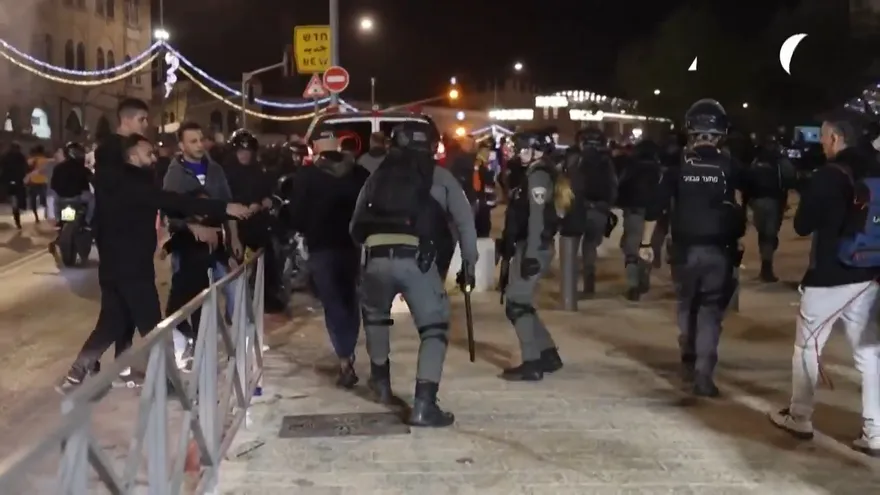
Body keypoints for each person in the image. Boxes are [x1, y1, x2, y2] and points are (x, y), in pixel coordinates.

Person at [57, 133, 252, 392]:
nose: (153, 158)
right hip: (134, 268)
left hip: (113, 267)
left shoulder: (108, 182)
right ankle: (167, 383)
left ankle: (76, 374)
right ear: (132, 156)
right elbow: (173, 201)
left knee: (111, 323)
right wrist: (224, 208)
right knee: (153, 328)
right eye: (148, 153)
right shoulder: (133, 184)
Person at [350, 122, 478, 427]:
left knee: (376, 318)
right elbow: (465, 225)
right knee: (434, 329)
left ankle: (381, 384)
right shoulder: (440, 177)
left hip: (375, 259)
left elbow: (355, 226)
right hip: (417, 260)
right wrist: (468, 266)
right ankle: (424, 405)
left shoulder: (377, 178)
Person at [769, 111, 880, 456]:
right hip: (869, 275)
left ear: (835, 139)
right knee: (870, 355)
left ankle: (800, 417)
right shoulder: (876, 167)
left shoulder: (829, 175)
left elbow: (802, 226)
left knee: (808, 347)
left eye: (822, 138)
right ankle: (876, 432)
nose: (821, 144)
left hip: (828, 276)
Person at [643, 99, 745, 397]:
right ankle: (703, 374)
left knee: (687, 304)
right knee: (710, 310)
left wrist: (647, 243)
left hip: (685, 250)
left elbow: (656, 207)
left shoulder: (676, 165)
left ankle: (688, 358)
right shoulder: (730, 166)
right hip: (719, 250)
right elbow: (741, 201)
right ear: (721, 132)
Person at [287, 130, 369, 388]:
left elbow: (297, 215)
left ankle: (345, 358)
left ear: (317, 149)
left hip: (322, 247)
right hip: (352, 246)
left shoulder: (307, 176)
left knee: (332, 303)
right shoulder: (358, 174)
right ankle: (348, 350)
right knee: (349, 299)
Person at [163, 121, 240, 367]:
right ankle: (190, 347)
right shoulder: (174, 173)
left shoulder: (215, 170)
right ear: (182, 145)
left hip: (218, 246)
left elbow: (228, 205)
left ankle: (239, 343)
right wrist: (190, 227)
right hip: (187, 248)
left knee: (235, 292)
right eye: (192, 141)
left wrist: (234, 237)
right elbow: (170, 211)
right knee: (188, 298)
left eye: (200, 139)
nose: (199, 145)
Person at [499, 132, 572, 381]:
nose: (519, 153)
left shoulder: (539, 175)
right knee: (522, 303)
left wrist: (529, 254)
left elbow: (536, 217)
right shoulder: (536, 173)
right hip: (533, 245)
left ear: (537, 151)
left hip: (534, 247)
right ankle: (548, 353)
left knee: (516, 303)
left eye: (523, 149)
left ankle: (532, 362)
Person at [225, 129, 284, 311]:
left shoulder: (259, 171)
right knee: (236, 270)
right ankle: (234, 309)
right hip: (236, 227)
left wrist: (266, 202)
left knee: (268, 262)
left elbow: (270, 195)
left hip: (259, 226)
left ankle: (266, 299)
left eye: (248, 152)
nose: (245, 155)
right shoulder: (227, 173)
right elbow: (226, 204)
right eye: (241, 151)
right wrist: (233, 236)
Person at [570, 128, 617, 296]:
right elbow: (613, 187)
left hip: (579, 209)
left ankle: (570, 287)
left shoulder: (576, 160)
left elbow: (569, 184)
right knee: (590, 247)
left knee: (571, 248)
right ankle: (589, 285)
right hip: (599, 210)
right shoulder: (607, 163)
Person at [742, 138, 796, 282]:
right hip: (774, 201)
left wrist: (746, 203)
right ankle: (767, 269)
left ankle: (765, 267)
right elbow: (790, 178)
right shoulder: (780, 161)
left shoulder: (756, 161)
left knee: (763, 235)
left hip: (757, 202)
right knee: (770, 236)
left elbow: (748, 181)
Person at [618, 139, 663, 301]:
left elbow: (620, 188)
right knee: (648, 245)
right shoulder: (659, 170)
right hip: (654, 214)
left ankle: (632, 284)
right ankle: (644, 279)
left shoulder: (631, 167)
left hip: (634, 211)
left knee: (631, 247)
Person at [48, 142, 94, 237]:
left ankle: (58, 221)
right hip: (77, 198)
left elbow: (53, 186)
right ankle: (87, 222)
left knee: (53, 199)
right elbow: (94, 181)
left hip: (61, 200)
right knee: (92, 199)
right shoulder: (82, 168)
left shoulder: (58, 168)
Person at [0, 142, 31, 228]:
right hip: (18, 181)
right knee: (20, 198)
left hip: (6, 181)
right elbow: (27, 168)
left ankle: (14, 209)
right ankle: (18, 217)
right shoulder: (21, 156)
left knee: (10, 198)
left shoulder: (5, 156)